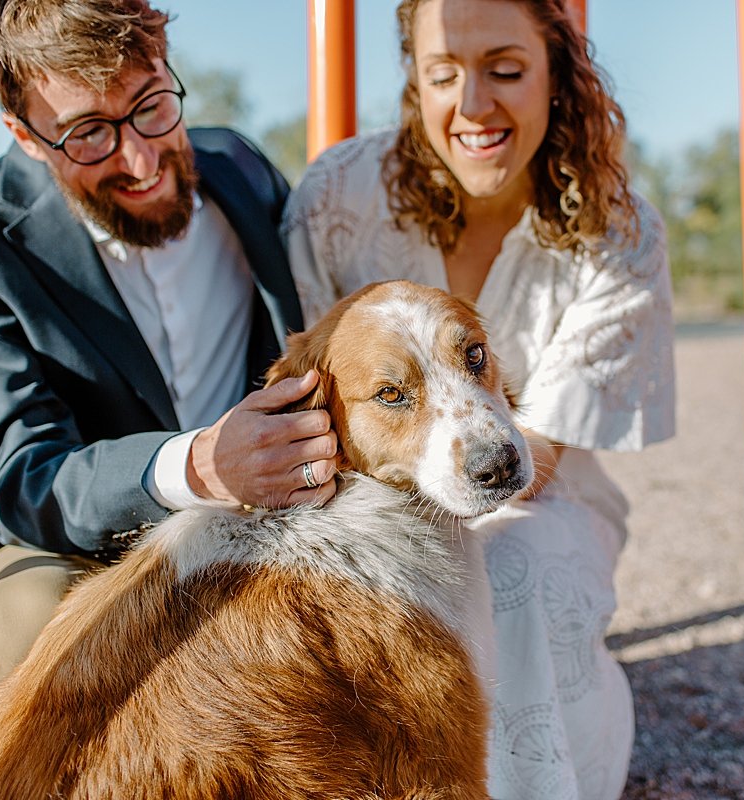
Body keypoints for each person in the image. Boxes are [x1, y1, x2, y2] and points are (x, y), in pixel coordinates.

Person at [282, 0, 676, 797]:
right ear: (415, 85)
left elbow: (529, 457)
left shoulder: (620, 233)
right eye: (443, 75)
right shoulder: (336, 199)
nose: (472, 106)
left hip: (542, 489)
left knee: (512, 563)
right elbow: (308, 388)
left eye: (505, 70)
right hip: (360, 495)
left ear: (557, 75)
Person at [0, 0, 339, 694]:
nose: (139, 158)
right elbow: (24, 479)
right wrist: (195, 468)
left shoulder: (240, 167)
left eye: (151, 104)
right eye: (88, 134)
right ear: (25, 135)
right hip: (98, 544)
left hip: (280, 510)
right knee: (23, 619)